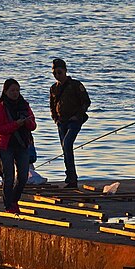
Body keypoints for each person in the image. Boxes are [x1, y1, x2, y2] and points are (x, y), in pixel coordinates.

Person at [0, 78, 37, 214]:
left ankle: (14, 200)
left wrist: (27, 123)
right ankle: (8, 205)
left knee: (23, 176)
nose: (15, 93)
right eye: (12, 90)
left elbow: (33, 125)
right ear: (5, 92)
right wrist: (16, 124)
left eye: (17, 90)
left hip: (22, 145)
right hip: (6, 145)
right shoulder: (1, 107)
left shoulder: (24, 105)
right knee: (9, 176)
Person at [49, 57, 91, 188]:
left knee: (67, 144)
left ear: (65, 71)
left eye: (59, 72)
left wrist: (77, 116)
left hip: (74, 121)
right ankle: (70, 178)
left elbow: (86, 102)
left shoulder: (76, 85)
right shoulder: (53, 88)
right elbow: (52, 105)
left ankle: (72, 177)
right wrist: (55, 118)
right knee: (65, 148)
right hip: (61, 122)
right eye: (54, 73)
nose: (57, 75)